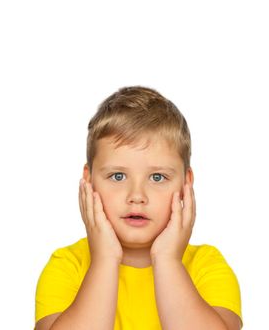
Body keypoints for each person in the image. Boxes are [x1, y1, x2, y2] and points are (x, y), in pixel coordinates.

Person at [34, 86, 242, 330]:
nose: (137, 196)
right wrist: (104, 260)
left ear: (186, 184)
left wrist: (168, 260)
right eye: (118, 176)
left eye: (157, 178)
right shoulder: (67, 265)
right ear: (89, 182)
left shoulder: (206, 264)